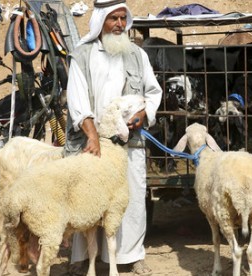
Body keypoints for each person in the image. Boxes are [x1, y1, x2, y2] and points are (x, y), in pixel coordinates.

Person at [64, 0, 162, 275]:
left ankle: (132, 255)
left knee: (129, 196)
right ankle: (83, 258)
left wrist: (145, 113)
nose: (119, 25)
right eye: (113, 19)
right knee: (87, 198)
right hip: (93, 142)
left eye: (123, 19)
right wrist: (92, 136)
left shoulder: (136, 55)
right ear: (100, 21)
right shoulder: (82, 55)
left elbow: (153, 92)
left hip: (129, 143)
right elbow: (77, 98)